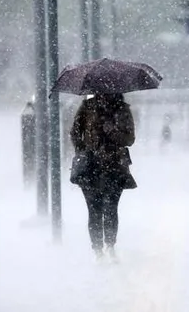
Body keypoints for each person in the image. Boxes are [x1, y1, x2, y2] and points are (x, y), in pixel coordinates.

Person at [70, 93, 136, 260]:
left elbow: (129, 139)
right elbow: (75, 132)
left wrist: (112, 131)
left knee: (111, 209)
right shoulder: (87, 107)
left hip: (114, 166)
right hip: (90, 167)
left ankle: (110, 246)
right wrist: (83, 151)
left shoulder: (122, 109)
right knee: (94, 210)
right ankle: (98, 250)